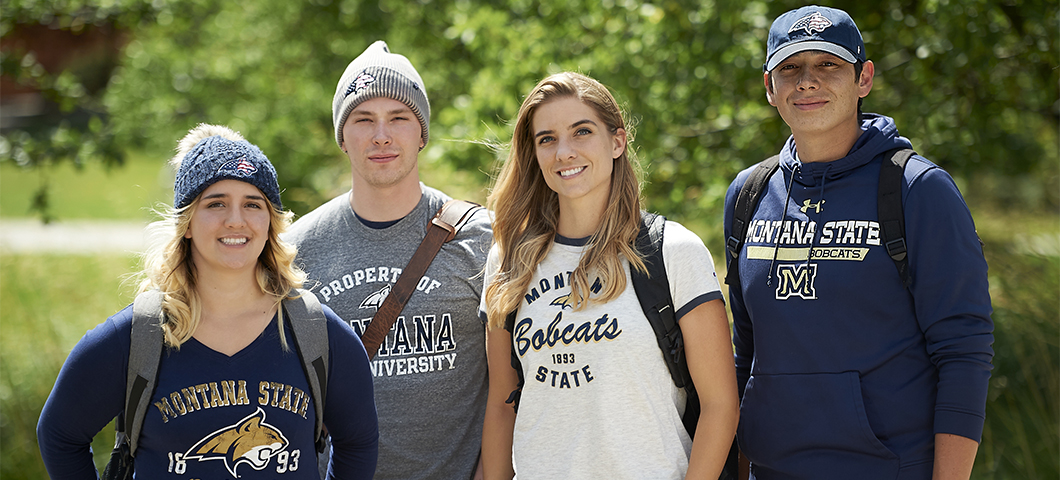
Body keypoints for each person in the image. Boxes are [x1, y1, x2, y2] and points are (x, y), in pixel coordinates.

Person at [724, 5, 994, 479]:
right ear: (769, 87)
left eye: (828, 64)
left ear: (863, 78)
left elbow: (964, 350)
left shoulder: (917, 189)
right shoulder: (749, 193)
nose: (807, 81)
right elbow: (746, 352)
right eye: (790, 68)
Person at [37, 124, 378, 479]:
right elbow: (59, 435)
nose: (236, 220)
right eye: (216, 203)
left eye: (252, 204)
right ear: (187, 223)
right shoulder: (139, 336)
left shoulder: (316, 334)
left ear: (270, 223)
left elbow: (358, 441)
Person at [479, 71, 739, 480]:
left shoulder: (672, 252)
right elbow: (501, 403)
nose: (564, 151)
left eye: (581, 132)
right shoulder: (508, 262)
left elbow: (721, 405)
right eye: (546, 138)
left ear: (617, 141)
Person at [284, 41, 492, 480]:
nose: (382, 135)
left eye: (399, 118)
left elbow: (514, 385)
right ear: (343, 136)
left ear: (422, 134)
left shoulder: (482, 238)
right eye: (363, 119)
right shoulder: (294, 249)